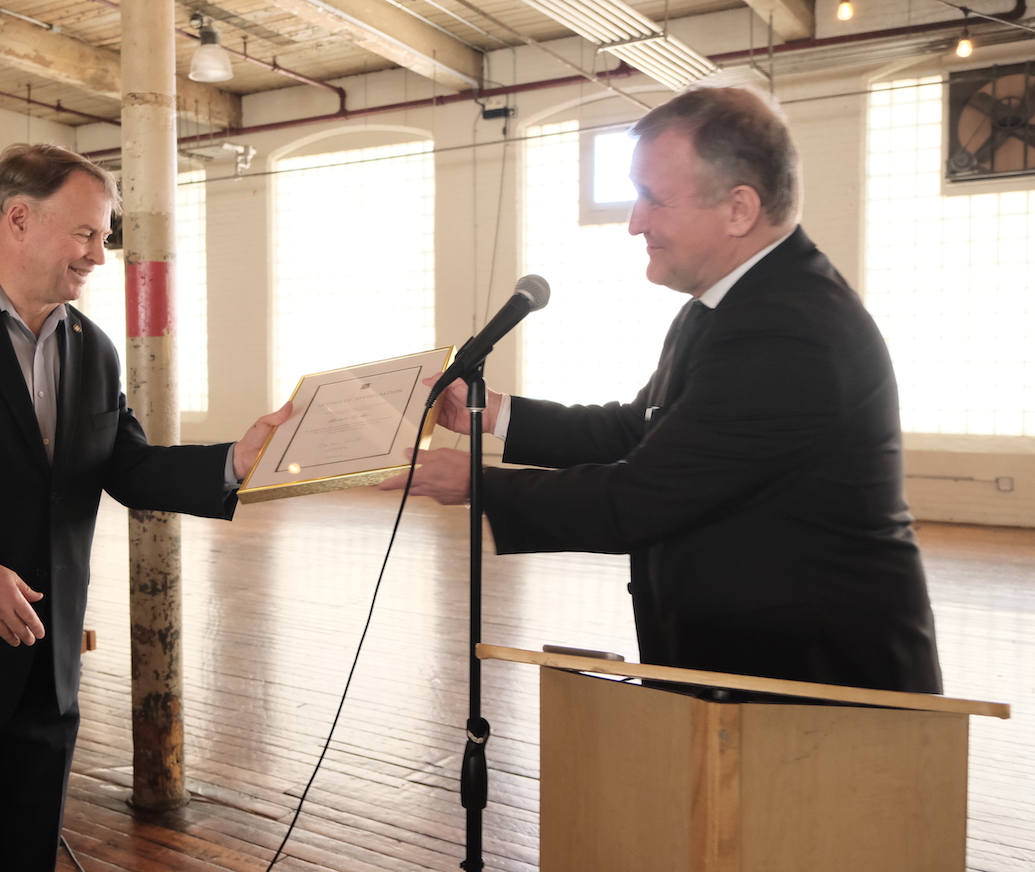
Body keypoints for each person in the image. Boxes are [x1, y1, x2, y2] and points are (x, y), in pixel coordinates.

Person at [0, 143, 290, 871]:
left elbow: (125, 465)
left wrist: (232, 461)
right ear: (16, 219)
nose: (100, 254)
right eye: (87, 233)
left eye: (104, 235)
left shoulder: (94, 348)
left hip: (42, 675)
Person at [381, 86, 942, 695]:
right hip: (752, 663)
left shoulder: (789, 329)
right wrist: (488, 415)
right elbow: (638, 428)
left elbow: (641, 499)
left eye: (652, 198)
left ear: (739, 209)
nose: (633, 222)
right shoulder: (727, 304)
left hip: (819, 682)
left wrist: (476, 483)